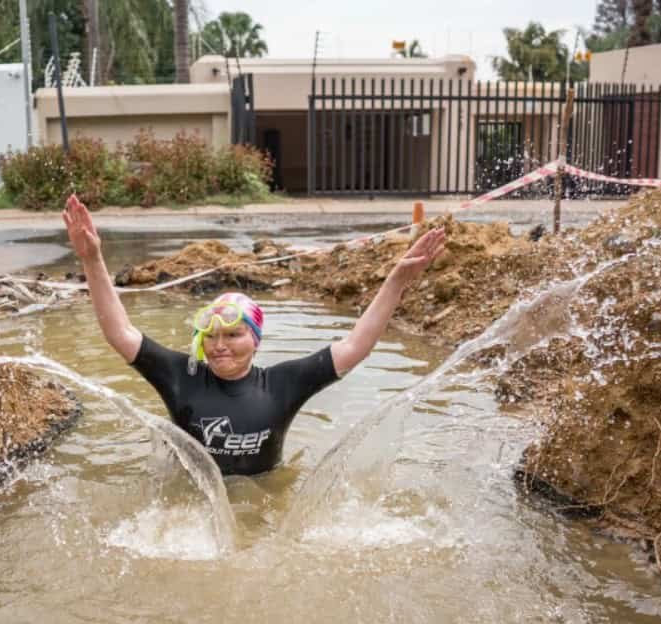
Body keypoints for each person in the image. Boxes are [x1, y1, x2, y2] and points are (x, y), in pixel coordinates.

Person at [62, 194, 446, 476]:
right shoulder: (181, 375)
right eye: (210, 336)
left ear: (256, 340)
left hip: (263, 494)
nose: (219, 345)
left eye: (233, 335)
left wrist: (396, 281)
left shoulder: (282, 384)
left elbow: (355, 346)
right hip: (192, 503)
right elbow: (120, 332)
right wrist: (92, 259)